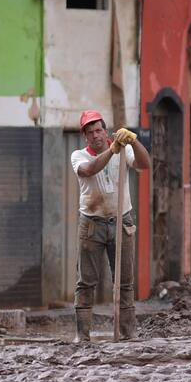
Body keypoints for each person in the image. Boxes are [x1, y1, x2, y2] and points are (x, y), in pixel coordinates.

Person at [71, 110, 151, 343]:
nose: (95, 135)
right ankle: (82, 335)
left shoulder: (123, 151)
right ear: (85, 136)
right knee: (86, 281)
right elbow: (89, 170)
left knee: (125, 281)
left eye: (98, 130)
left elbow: (144, 164)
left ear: (105, 131)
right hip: (92, 224)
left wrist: (134, 142)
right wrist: (112, 150)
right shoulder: (79, 156)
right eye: (90, 132)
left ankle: (128, 332)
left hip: (121, 221)